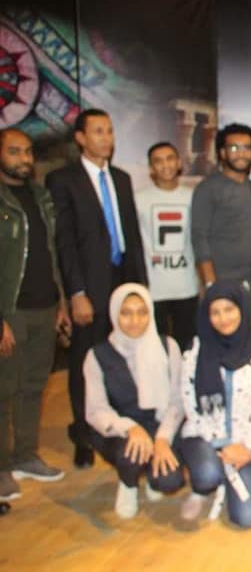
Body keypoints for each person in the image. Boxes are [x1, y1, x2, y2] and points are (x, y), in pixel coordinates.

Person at [47, 109, 148, 468]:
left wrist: (141, 287)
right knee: (85, 362)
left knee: (123, 358)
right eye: (98, 131)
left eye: (110, 131)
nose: (107, 138)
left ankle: (120, 424)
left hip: (124, 284)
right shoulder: (63, 180)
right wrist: (76, 293)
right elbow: (65, 242)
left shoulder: (120, 178)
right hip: (89, 289)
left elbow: (131, 235)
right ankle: (84, 433)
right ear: (80, 138)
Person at [0, 128, 69, 500]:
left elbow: (50, 253)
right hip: (10, 312)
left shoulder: (41, 197)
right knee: (3, 391)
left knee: (33, 388)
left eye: (27, 152)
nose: (24, 159)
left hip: (45, 308)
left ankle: (25, 455)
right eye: (14, 152)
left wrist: (60, 302)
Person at [179, 281, 251, 528]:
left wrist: (248, 447)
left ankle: (230, 481)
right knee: (207, 472)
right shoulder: (197, 348)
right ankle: (203, 488)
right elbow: (189, 401)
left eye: (229, 309)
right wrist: (221, 445)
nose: (223, 319)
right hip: (205, 435)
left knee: (247, 517)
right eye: (215, 312)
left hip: (246, 442)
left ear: (241, 309)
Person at [84, 284, 185, 518]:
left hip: (160, 423)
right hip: (120, 432)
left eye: (142, 312)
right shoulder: (97, 355)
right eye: (126, 313)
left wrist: (162, 439)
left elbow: (177, 400)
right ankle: (128, 483)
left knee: (170, 480)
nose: (135, 321)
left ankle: (152, 476)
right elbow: (96, 410)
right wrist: (130, 428)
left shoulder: (168, 346)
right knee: (130, 454)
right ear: (114, 314)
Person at [191, 124, 251, 324]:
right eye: (234, 148)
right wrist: (211, 285)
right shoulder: (208, 189)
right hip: (221, 283)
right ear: (222, 153)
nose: (241, 153)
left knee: (250, 336)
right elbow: (199, 238)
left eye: (247, 148)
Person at [135, 141, 198, 352]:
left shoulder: (193, 196)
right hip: (154, 289)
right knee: (155, 349)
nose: (165, 165)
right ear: (151, 168)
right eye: (158, 161)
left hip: (187, 286)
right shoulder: (138, 199)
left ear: (179, 162)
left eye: (170, 159)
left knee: (186, 348)